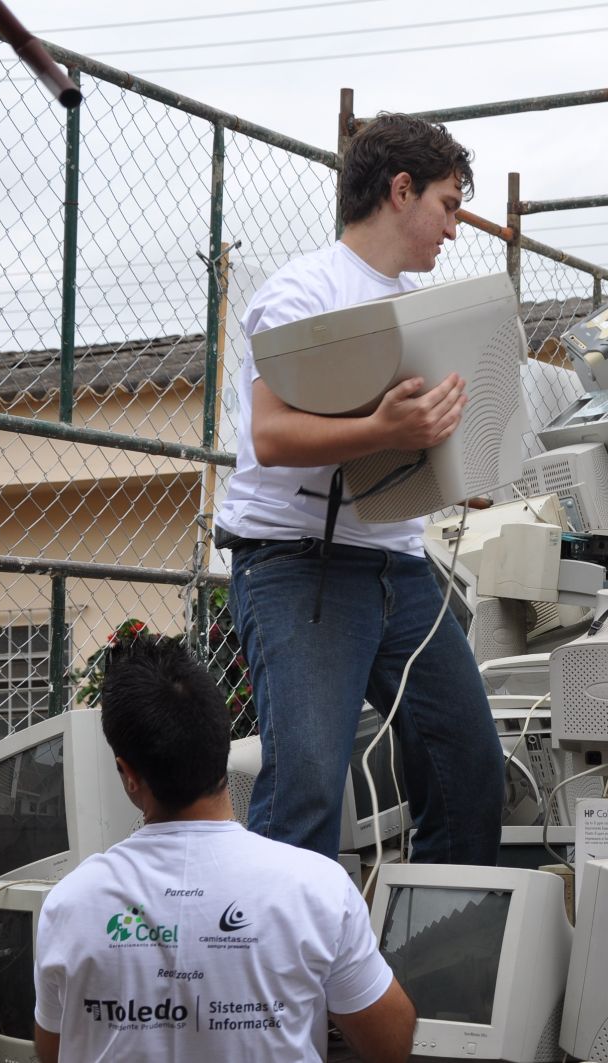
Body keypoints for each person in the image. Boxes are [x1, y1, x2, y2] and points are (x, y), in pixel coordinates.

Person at [214, 112, 504, 864]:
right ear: (401, 191)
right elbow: (271, 436)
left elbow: (406, 436)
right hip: (296, 563)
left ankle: (434, 933)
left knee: (469, 767)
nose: (454, 229)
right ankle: (272, 942)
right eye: (448, 205)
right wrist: (383, 429)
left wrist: (458, 465)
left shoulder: (419, 306)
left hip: (395, 563)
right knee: (307, 789)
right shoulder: (303, 291)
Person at [32, 635, 417, 1063]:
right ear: (221, 744)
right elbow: (392, 1043)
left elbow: (53, 1051)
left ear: (129, 774)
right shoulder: (317, 888)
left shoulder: (69, 904)